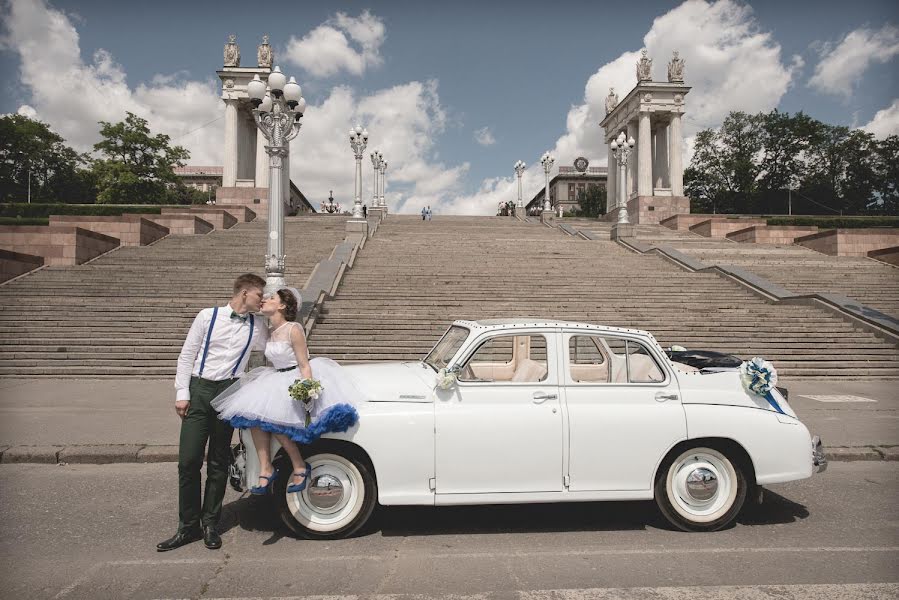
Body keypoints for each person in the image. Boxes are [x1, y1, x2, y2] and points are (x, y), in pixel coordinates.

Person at [211, 288, 362, 501]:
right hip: (274, 378)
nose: (266, 299)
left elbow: (303, 363)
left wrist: (307, 389)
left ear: (282, 306)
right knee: (252, 416)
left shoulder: (294, 329)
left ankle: (299, 464)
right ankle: (266, 468)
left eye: (272, 298)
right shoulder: (269, 330)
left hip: (293, 378)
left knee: (274, 421)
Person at [158, 274, 268, 553]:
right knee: (188, 460)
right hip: (200, 388)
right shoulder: (207, 316)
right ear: (244, 293)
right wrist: (182, 393)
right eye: (259, 295)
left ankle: (210, 524)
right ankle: (187, 527)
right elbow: (187, 355)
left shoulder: (257, 326)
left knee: (219, 461)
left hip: (229, 392)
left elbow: (274, 347)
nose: (261, 299)